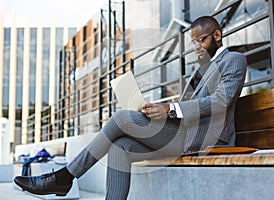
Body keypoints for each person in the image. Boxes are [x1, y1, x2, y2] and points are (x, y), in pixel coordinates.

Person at [14, 16, 247, 199]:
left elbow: (221, 101)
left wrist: (170, 109)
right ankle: (67, 180)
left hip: (206, 139)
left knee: (121, 118)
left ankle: (64, 177)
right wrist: (157, 112)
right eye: (193, 42)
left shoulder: (233, 60)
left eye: (200, 40)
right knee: (120, 146)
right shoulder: (203, 68)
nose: (196, 46)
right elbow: (189, 107)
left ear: (217, 35)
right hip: (183, 134)